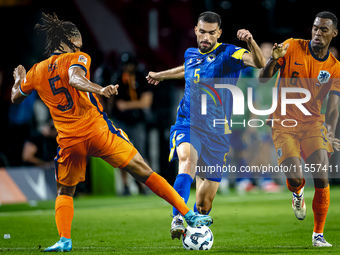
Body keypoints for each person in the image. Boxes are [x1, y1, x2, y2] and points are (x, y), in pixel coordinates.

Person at [11, 12, 212, 252]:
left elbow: (15, 97)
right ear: (67, 40)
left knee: (65, 191)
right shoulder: (77, 57)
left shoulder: (36, 70)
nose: (80, 45)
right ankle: (188, 216)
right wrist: (99, 88)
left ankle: (64, 240)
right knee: (144, 171)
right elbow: (75, 78)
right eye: (77, 41)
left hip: (69, 140)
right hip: (97, 131)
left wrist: (18, 80)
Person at [146, 11, 266, 239]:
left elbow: (260, 63)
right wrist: (162, 75)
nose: (206, 37)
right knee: (187, 160)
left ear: (219, 33)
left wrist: (250, 41)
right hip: (188, 123)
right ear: (195, 30)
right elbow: (187, 69)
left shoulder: (230, 53)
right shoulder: (191, 53)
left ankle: (193, 216)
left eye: (211, 33)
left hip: (218, 132)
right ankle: (178, 217)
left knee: (204, 204)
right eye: (202, 32)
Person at [259, 11, 340, 247]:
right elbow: (264, 79)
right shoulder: (292, 46)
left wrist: (331, 132)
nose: (317, 33)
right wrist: (273, 59)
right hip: (283, 123)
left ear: (333, 33)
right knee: (295, 177)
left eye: (324, 29)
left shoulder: (334, 68)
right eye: (315, 28)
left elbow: (333, 107)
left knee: (322, 177)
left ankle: (318, 235)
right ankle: (297, 193)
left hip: (313, 124)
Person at [113, 52, 153, 195]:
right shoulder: (118, 77)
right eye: (125, 66)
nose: (127, 68)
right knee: (122, 156)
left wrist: (127, 105)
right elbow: (115, 103)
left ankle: (145, 186)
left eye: (129, 65)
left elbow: (146, 102)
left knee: (140, 155)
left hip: (137, 122)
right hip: (121, 122)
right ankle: (125, 187)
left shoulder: (142, 77)